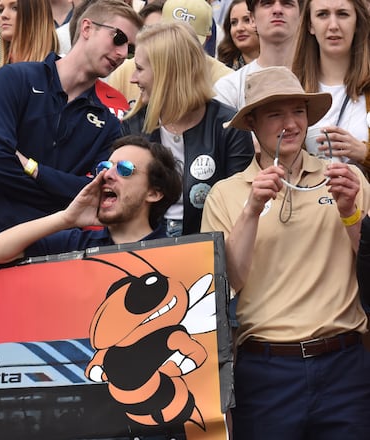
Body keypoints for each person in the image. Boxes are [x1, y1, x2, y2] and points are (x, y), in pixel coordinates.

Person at [201, 66, 370, 438]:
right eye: (276, 113)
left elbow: (369, 265)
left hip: (345, 363)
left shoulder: (347, 179)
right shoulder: (226, 194)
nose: (290, 123)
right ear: (254, 124)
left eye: (298, 111)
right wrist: (251, 210)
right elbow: (229, 282)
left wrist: (350, 212)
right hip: (266, 369)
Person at [0, 0, 141, 264]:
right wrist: (63, 192)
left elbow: (97, 193)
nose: (121, 53)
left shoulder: (108, 123)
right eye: (117, 38)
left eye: (129, 49)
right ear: (86, 27)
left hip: (54, 253)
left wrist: (33, 168)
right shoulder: (15, 78)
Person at [122, 21, 253, 236]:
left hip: (211, 242)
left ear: (166, 73)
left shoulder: (228, 125)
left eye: (139, 68)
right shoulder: (133, 125)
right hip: (147, 245)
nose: (132, 79)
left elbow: (237, 205)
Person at [0, 135, 181, 263]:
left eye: (124, 169)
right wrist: (66, 219)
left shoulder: (176, 253)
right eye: (104, 167)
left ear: (154, 193)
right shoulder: (76, 243)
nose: (107, 175)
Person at [107, 0, 233, 109]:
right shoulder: (126, 71)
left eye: (189, 41)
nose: (179, 48)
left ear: (208, 37)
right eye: (173, 37)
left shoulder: (227, 81)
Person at [291, 0, 370, 166]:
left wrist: (364, 153)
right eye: (322, 14)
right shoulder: (290, 89)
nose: (333, 25)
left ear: (357, 22)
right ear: (310, 25)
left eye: (342, 14)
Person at [0, 0, 59, 113]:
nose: (3, 15)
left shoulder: (61, 71)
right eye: (1, 10)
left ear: (37, 14)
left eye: (15, 8)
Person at [213, 0, 301, 109]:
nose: (277, 10)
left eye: (287, 3)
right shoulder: (229, 87)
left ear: (301, 16)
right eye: (267, 3)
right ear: (252, 19)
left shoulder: (324, 78)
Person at [217, 0, 259, 70]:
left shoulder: (280, 64)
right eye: (234, 22)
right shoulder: (221, 71)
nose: (239, 28)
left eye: (247, 20)